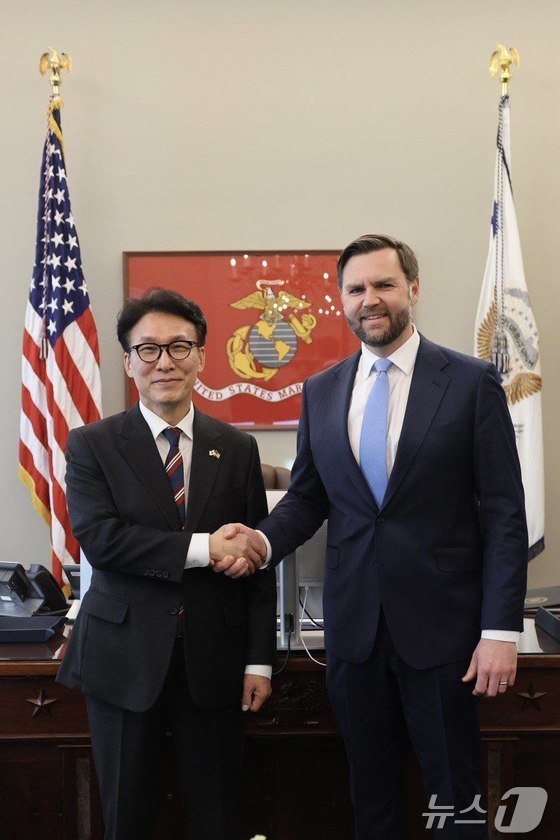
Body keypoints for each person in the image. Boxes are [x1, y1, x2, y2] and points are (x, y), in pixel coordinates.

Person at [226, 235, 528, 839]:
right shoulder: (322, 390)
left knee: (455, 794)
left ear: (412, 290)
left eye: (384, 285)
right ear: (341, 300)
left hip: (445, 634)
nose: (371, 299)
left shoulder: (471, 383)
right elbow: (310, 497)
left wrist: (500, 631)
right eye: (357, 288)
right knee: (372, 795)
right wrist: (259, 542)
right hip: (354, 632)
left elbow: (503, 513)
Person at [57, 288, 275, 840]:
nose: (165, 362)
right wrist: (207, 549)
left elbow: (256, 560)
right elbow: (102, 541)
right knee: (126, 817)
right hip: (122, 660)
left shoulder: (237, 447)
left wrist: (259, 662)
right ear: (129, 362)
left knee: (216, 817)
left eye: (180, 347)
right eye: (148, 350)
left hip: (216, 665)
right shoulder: (91, 445)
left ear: (202, 355)